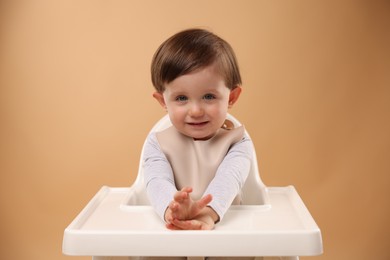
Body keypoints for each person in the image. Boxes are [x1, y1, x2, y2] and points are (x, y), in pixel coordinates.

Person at [143, 28, 254, 232]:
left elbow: (229, 179)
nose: (195, 111)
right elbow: (156, 181)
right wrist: (173, 208)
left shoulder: (238, 142)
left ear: (231, 97)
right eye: (181, 98)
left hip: (226, 232)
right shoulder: (157, 144)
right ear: (163, 101)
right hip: (172, 227)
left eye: (209, 97)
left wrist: (207, 213)